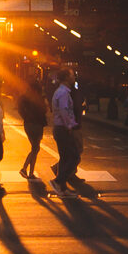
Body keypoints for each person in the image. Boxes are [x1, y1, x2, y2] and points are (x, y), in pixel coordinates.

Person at [50, 69, 81, 198]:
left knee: (64, 158)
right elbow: (64, 110)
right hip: (63, 128)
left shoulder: (62, 91)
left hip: (60, 127)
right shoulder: (63, 93)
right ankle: (58, 182)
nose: (74, 76)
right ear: (66, 78)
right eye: (72, 75)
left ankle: (62, 189)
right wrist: (69, 125)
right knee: (74, 157)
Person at [16, 73, 48, 180]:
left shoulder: (24, 96)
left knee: (35, 148)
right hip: (37, 124)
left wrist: (26, 116)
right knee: (35, 148)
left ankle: (28, 170)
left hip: (28, 124)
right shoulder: (39, 97)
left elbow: (19, 108)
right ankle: (27, 170)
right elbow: (44, 109)